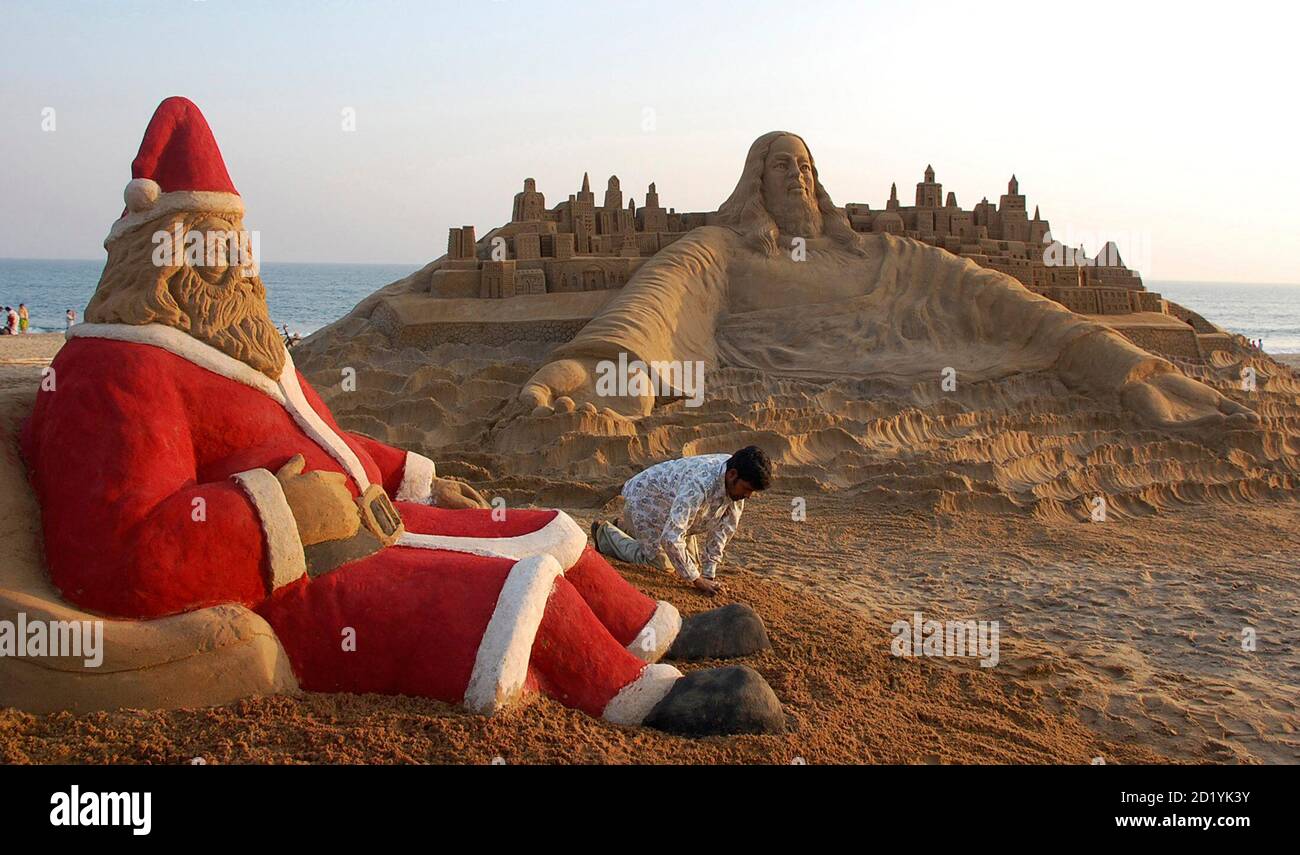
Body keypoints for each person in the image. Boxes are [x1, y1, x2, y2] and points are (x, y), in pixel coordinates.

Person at [21, 96, 783, 735]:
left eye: (234, 247)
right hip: (300, 577)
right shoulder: (115, 370)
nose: (235, 268)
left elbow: (328, 441)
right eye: (212, 248)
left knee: (551, 525)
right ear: (159, 250)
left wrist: (418, 478)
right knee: (521, 588)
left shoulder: (247, 352)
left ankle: (661, 629)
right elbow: (119, 557)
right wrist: (283, 513)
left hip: (366, 516)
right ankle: (641, 695)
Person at [520, 132, 1256, 430]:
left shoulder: (882, 251)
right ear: (756, 182)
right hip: (807, 363)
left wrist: (1113, 353)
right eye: (783, 166)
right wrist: (600, 364)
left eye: (807, 166)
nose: (799, 177)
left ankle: (1126, 372)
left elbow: (995, 294)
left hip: (902, 319)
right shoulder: (723, 247)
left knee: (985, 292)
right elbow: (661, 298)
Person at [592, 446, 772, 596]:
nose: (748, 496)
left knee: (691, 564)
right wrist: (697, 581)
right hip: (644, 501)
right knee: (662, 565)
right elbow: (671, 537)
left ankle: (627, 526)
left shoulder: (734, 482)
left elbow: (723, 531)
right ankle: (606, 534)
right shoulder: (701, 483)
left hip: (672, 508)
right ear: (732, 475)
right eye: (747, 489)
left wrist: (708, 575)